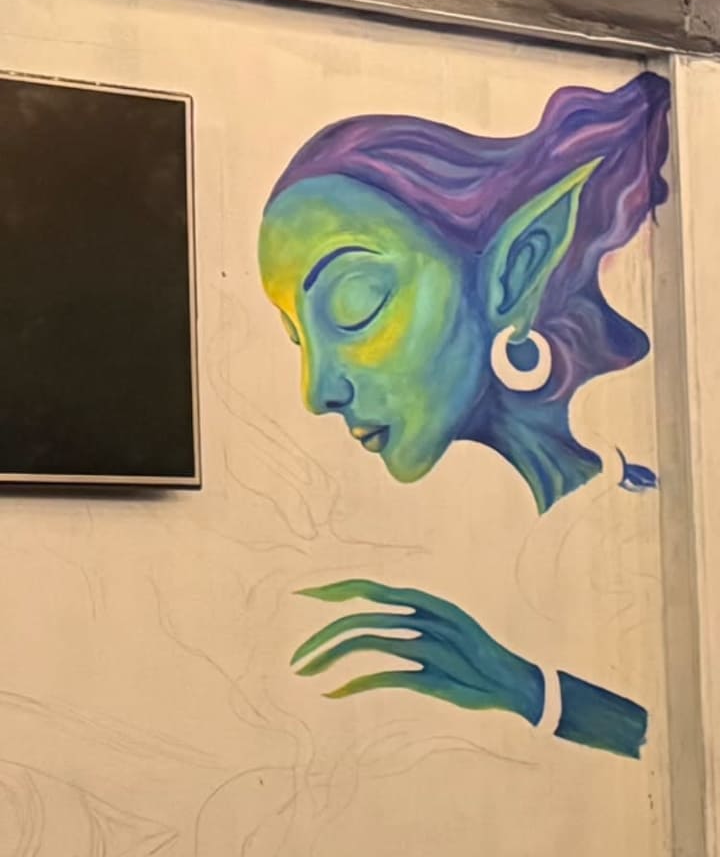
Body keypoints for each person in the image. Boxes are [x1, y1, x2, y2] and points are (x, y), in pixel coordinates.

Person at [256, 76, 670, 758]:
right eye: (297, 338)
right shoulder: (501, 538)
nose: (318, 390)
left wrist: (536, 694)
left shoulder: (643, 520)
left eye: (354, 303)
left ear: (515, 268)